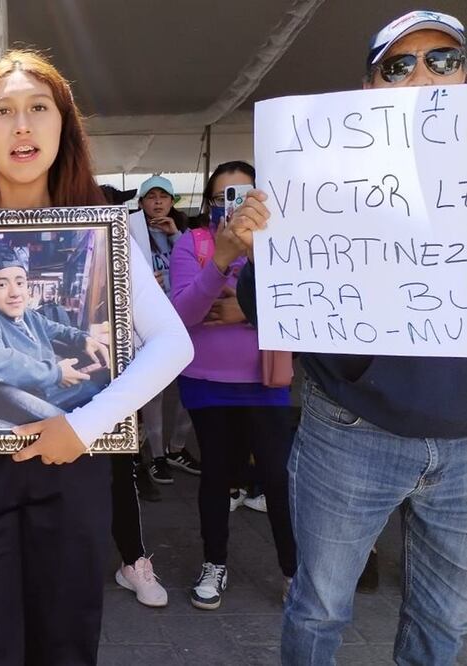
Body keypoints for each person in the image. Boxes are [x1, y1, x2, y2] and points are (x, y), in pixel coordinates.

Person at [0, 50, 194, 664]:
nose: (21, 126)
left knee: (66, 640)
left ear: (63, 125)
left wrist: (81, 424)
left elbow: (172, 344)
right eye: (3, 112)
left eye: (37, 109)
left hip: (70, 465)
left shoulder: (99, 226)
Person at [232, 11, 467, 664]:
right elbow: (266, 308)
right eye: (399, 65)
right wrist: (260, 254)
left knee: (444, 623)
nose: (423, 74)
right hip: (350, 432)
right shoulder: (318, 172)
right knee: (319, 607)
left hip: (463, 442)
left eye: (444, 60)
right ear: (370, 89)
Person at [168, 160, 297, 611]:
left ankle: (292, 571)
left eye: (246, 195)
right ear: (210, 204)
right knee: (216, 475)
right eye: (227, 197)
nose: (237, 207)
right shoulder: (194, 244)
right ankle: (214, 562)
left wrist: (242, 309)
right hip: (207, 383)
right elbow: (182, 314)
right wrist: (220, 261)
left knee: (279, 478)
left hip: (267, 382)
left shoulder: (280, 244)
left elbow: (296, 302)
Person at [0, 244, 111, 414]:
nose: (15, 292)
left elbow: (58, 329)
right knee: (112, 397)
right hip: (42, 405)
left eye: (20, 282)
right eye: (2, 285)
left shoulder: (29, 316)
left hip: (52, 391)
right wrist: (55, 373)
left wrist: (83, 339)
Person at [128, 175, 200, 485]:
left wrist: (177, 236)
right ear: (141, 203)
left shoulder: (187, 234)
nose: (157, 202)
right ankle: (156, 456)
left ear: (172, 202)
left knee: (190, 390)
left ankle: (177, 448)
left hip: (186, 319)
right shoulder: (130, 230)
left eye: (164, 196)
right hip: (149, 323)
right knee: (153, 391)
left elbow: (201, 272)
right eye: (151, 197)